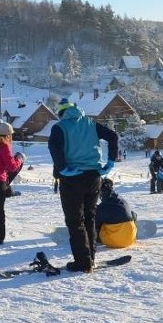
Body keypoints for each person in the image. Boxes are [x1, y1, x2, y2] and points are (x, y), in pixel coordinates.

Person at [47, 98, 119, 273]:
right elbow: (113, 136)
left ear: (62, 113)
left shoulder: (59, 127)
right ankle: (90, 257)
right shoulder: (90, 123)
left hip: (72, 178)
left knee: (75, 220)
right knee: (90, 217)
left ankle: (83, 262)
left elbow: (54, 148)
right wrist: (110, 162)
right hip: (93, 176)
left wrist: (63, 168)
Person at [95, 178, 137, 248]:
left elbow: (96, 223)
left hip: (113, 242)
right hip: (130, 240)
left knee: (101, 223)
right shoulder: (123, 201)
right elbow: (134, 215)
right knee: (130, 214)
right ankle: (130, 230)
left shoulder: (103, 206)